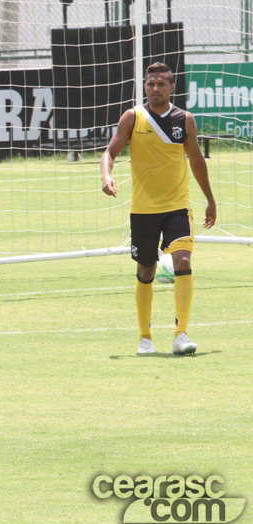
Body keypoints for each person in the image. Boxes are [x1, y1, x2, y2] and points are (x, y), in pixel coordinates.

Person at [101, 62, 216, 356]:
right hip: (143, 210)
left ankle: (181, 334)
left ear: (171, 88)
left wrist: (210, 199)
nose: (155, 89)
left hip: (178, 206)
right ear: (145, 86)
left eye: (161, 84)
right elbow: (110, 151)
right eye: (150, 84)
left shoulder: (184, 119)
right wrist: (106, 175)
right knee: (146, 269)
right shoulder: (133, 117)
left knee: (182, 261)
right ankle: (145, 338)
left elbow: (196, 160)